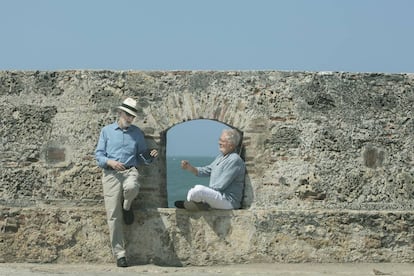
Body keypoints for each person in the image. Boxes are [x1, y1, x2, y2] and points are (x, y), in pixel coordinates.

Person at [95, 97, 158, 268]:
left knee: (132, 186)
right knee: (113, 216)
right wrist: (111, 162)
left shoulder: (137, 133)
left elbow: (141, 156)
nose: (130, 118)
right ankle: (120, 254)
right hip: (111, 174)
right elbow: (99, 155)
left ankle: (127, 205)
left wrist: (149, 157)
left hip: (130, 171)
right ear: (120, 113)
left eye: (132, 116)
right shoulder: (106, 131)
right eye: (128, 114)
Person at [175, 128, 245, 210]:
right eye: (219, 140)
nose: (219, 143)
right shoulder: (220, 157)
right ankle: (199, 204)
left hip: (228, 201)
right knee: (194, 190)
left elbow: (221, 185)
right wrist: (190, 168)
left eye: (222, 141)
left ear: (231, 145)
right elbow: (207, 170)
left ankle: (199, 204)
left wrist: (206, 193)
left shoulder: (234, 160)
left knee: (198, 189)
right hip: (219, 196)